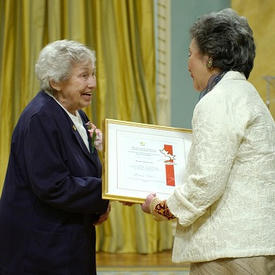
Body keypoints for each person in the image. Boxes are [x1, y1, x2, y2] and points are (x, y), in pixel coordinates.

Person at [142, 8, 275, 275]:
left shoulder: (218, 100)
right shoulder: (246, 95)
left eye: (190, 54)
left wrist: (162, 207)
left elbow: (206, 181)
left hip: (229, 252)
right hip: (251, 244)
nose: (187, 64)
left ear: (210, 58)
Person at [0, 40, 110, 275]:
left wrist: (96, 206)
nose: (93, 83)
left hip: (66, 239)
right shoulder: (40, 118)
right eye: (83, 75)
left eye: (93, 74)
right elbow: (54, 186)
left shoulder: (76, 114)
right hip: (42, 250)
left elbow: (82, 169)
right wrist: (106, 192)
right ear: (56, 82)